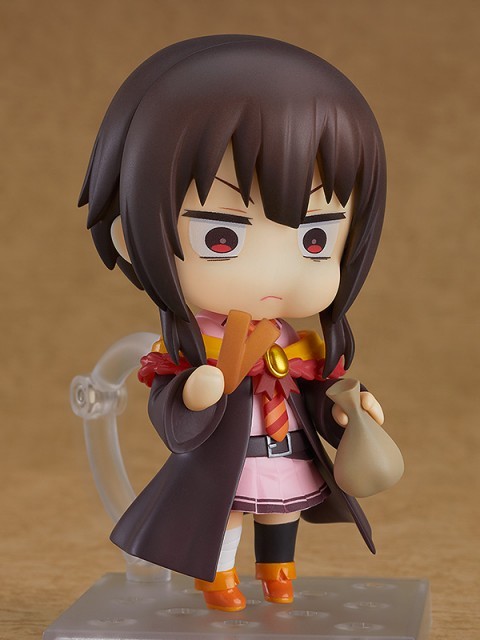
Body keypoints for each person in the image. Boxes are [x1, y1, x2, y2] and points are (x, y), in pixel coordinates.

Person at [79, 34, 387, 612]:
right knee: (226, 513)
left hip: (284, 447)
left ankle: (278, 571)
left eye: (314, 239)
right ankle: (217, 576)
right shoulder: (197, 341)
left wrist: (345, 410)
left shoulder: (296, 341)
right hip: (228, 457)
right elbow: (170, 411)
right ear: (131, 231)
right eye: (221, 237)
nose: (274, 273)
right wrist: (196, 392)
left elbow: (312, 392)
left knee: (283, 512)